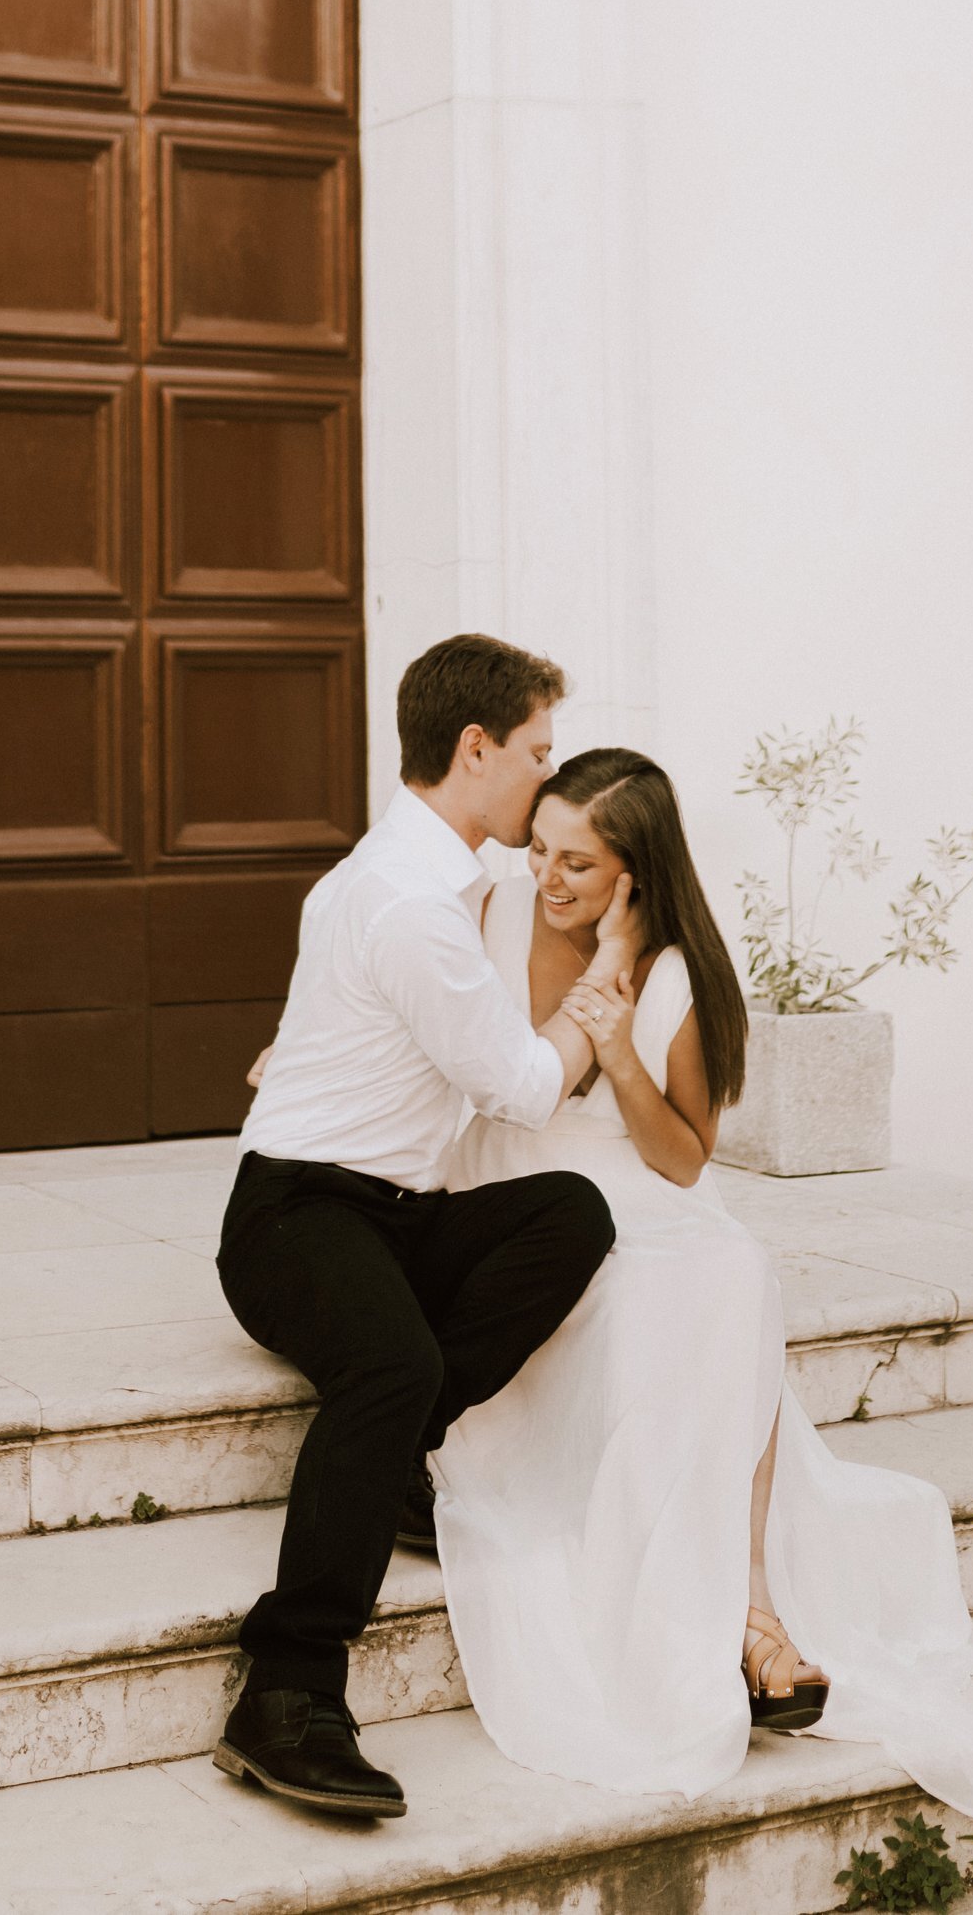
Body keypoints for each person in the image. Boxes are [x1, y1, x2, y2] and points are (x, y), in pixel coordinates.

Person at [433, 746, 973, 1816]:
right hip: (516, 1190)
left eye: (577, 865)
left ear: (634, 875)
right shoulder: (486, 917)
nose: (545, 878)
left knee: (724, 1264)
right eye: (540, 851)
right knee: (650, 1296)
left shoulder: (683, 974)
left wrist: (620, 1045)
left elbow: (684, 1157)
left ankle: (746, 1596)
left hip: (637, 1189)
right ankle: (740, 1613)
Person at [213, 635, 628, 1822]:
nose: (547, 782)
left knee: (567, 1214)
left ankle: (393, 1470)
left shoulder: (426, 879)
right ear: (474, 747)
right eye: (538, 753)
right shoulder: (406, 904)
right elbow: (518, 1081)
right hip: (292, 1216)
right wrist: (596, 1019)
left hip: (384, 1211)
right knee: (388, 1362)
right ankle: (284, 1690)